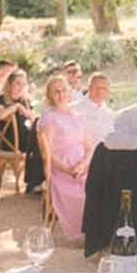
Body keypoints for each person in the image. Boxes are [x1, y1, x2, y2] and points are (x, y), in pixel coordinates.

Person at [39, 72, 92, 241]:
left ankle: (98, 230)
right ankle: (81, 232)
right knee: (82, 194)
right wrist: (68, 169)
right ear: (50, 95)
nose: (61, 94)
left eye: (63, 90)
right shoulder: (49, 118)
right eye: (56, 91)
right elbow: (47, 153)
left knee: (102, 185)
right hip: (61, 170)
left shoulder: (79, 117)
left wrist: (84, 164)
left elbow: (90, 147)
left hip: (83, 167)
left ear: (69, 92)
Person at [0, 68, 45, 191]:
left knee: (43, 139)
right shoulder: (2, 99)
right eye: (17, 83)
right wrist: (16, 107)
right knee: (40, 143)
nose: (21, 87)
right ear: (9, 84)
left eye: (23, 84)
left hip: (25, 140)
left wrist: (27, 109)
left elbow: (33, 119)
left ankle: (37, 181)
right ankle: (36, 182)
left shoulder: (24, 100)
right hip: (9, 142)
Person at [77, 72, 117, 143]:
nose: (100, 91)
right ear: (89, 88)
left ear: (108, 90)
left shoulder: (110, 115)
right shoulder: (74, 109)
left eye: (104, 88)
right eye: (97, 87)